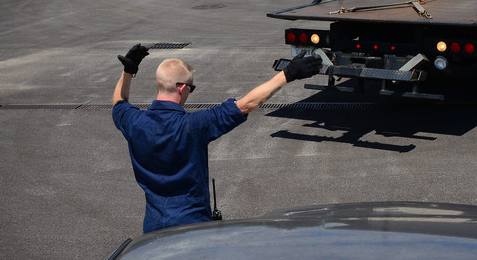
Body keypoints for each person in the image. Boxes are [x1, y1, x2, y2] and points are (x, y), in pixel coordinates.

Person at [111, 44, 321, 233]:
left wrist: (128, 71)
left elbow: (119, 103)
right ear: (182, 88)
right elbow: (247, 104)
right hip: (191, 224)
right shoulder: (193, 126)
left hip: (153, 225)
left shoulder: (135, 122)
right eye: (191, 88)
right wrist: (287, 74)